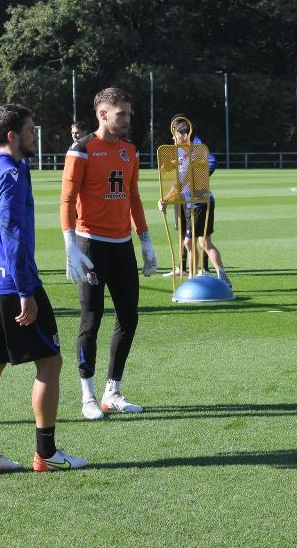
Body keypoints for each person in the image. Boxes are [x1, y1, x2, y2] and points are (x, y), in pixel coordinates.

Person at [0, 104, 87, 474]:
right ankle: (46, 454)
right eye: (31, 130)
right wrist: (26, 292)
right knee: (50, 361)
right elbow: (13, 236)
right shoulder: (10, 175)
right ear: (12, 135)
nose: (35, 135)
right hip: (14, 285)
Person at [60, 87, 157, 421]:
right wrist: (69, 243)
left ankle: (111, 391)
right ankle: (86, 396)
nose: (127, 120)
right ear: (103, 114)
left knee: (129, 318)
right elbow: (67, 199)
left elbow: (133, 196)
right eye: (121, 114)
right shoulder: (82, 149)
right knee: (91, 317)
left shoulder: (130, 150)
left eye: (129, 114)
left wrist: (145, 240)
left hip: (122, 246)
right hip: (90, 245)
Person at [157, 117, 230, 287]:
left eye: (175, 135)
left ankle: (194, 278)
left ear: (184, 134)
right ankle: (219, 276)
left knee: (191, 242)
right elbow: (180, 177)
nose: (173, 139)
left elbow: (211, 161)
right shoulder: (183, 150)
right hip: (193, 202)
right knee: (202, 242)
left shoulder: (196, 147)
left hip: (199, 202)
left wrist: (199, 176)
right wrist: (171, 165)